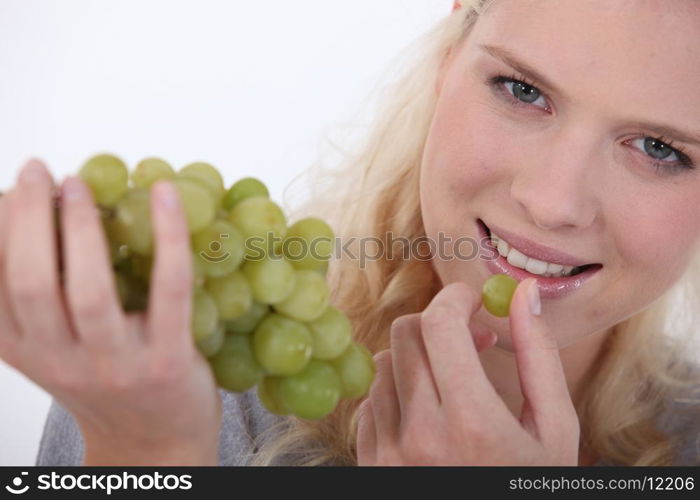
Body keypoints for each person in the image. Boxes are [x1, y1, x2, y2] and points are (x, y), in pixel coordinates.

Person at [2, 0, 699, 466]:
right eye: (522, 90)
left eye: (661, 149)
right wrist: (144, 448)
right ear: (448, 54)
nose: (552, 203)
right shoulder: (179, 379)